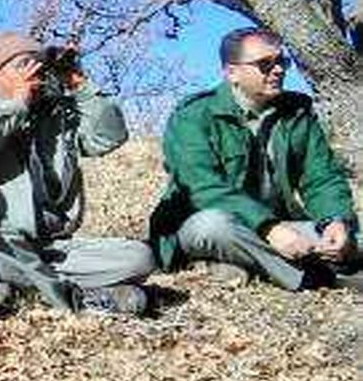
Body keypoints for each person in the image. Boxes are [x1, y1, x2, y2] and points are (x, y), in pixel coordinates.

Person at [0, 32, 154, 314]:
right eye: (22, 65)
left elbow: (109, 137)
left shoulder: (58, 118)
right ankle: (76, 300)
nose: (34, 73)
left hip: (49, 247)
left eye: (39, 65)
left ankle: (19, 286)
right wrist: (16, 104)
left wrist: (78, 83)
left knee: (138, 258)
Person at [149, 27, 360, 290]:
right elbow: (202, 187)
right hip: (204, 224)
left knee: (351, 237)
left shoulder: (297, 112)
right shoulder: (193, 115)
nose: (279, 70)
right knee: (214, 226)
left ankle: (243, 265)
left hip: (278, 226)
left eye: (282, 62)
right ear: (232, 72)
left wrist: (335, 220)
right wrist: (268, 229)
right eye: (265, 64)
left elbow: (322, 176)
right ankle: (321, 278)